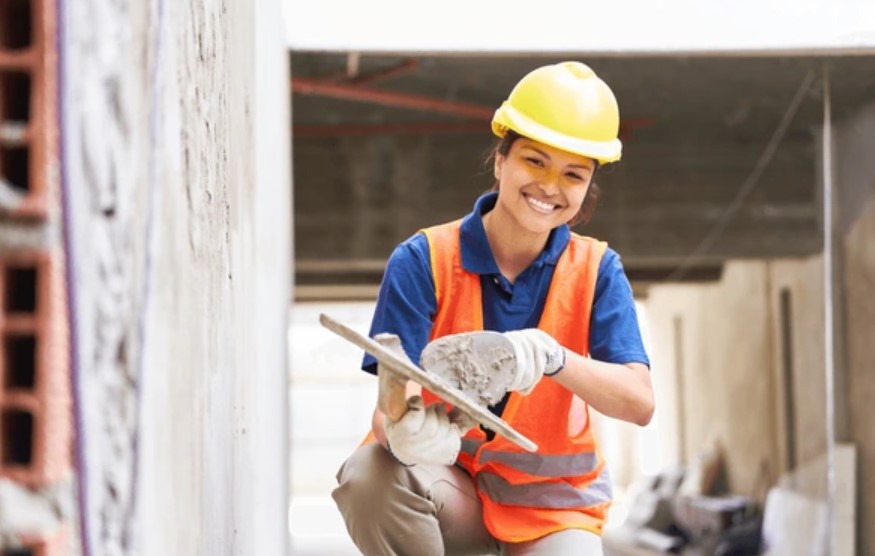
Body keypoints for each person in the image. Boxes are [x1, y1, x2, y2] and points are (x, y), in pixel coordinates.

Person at [332, 61, 655, 556]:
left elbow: (638, 402)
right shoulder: (425, 261)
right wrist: (407, 436)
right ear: (500, 160)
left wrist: (554, 357)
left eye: (573, 174)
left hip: (553, 512)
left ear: (588, 187)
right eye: (535, 161)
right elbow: (390, 406)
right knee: (369, 476)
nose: (550, 185)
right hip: (454, 495)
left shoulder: (597, 270)